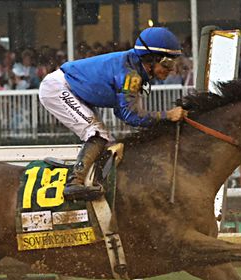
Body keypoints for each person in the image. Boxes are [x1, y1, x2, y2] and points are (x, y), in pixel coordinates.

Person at [38, 27, 187, 200]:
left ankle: (88, 177)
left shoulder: (134, 68)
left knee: (109, 143)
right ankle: (74, 183)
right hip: (58, 88)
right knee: (97, 135)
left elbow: (123, 113)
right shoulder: (131, 75)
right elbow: (130, 116)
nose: (171, 69)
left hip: (73, 90)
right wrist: (167, 115)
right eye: (168, 63)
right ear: (151, 59)